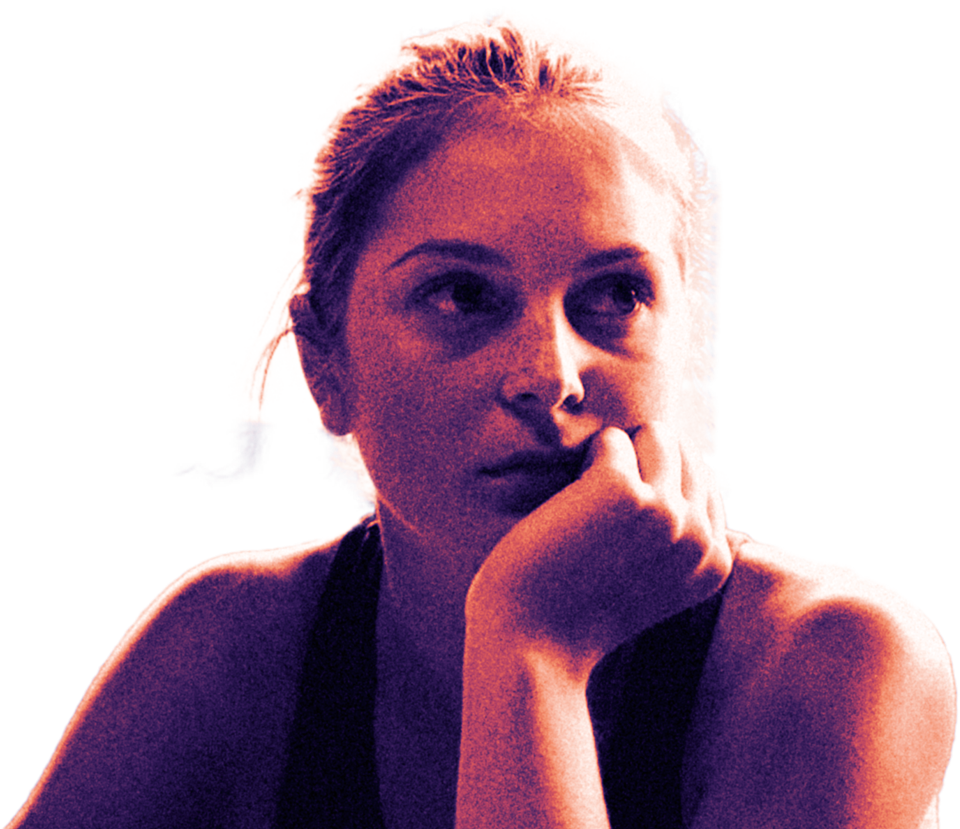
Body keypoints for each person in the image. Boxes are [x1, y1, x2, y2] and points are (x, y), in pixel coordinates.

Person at [11, 10, 955, 829]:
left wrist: (532, 652)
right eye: (462, 294)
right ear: (325, 364)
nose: (550, 375)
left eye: (615, 295)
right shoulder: (234, 642)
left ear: (691, 337)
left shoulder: (834, 660)